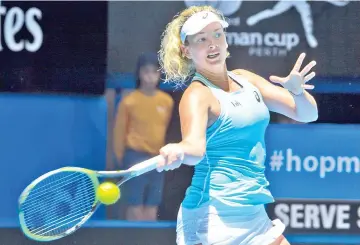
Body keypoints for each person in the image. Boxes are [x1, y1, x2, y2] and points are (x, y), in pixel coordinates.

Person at [156, 5, 318, 245]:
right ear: (186, 51)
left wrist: (297, 93)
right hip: (211, 219)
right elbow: (194, 148)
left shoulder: (247, 79)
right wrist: (179, 150)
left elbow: (308, 114)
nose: (212, 43)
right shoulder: (197, 95)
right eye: (201, 39)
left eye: (217, 34)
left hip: (254, 214)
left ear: (226, 41)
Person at [111, 52, 174, 221]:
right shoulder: (129, 101)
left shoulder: (166, 101)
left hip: (157, 159)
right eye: (146, 71)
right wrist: (120, 158)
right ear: (139, 73)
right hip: (134, 157)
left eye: (155, 72)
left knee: (152, 204)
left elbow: (164, 128)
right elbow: (119, 132)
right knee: (135, 204)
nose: (150, 76)